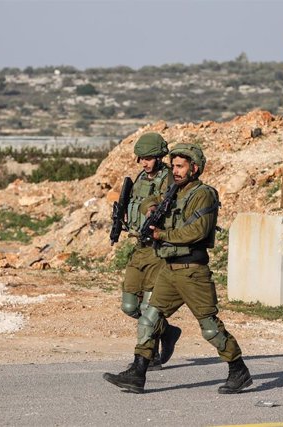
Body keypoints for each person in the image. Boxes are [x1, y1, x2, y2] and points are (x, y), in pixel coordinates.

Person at [103, 143, 252, 394]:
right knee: (149, 318)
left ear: (194, 168)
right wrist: (148, 207)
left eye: (181, 166)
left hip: (192, 271)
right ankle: (138, 373)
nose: (176, 171)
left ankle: (238, 369)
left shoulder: (203, 194)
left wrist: (163, 234)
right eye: (174, 166)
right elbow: (150, 199)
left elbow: (198, 231)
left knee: (210, 327)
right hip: (170, 270)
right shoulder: (174, 191)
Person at [119, 132, 182, 370]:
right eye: (141, 158)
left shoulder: (170, 180)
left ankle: (148, 358)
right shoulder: (140, 179)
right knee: (129, 306)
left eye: (148, 158)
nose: (144, 163)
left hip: (158, 250)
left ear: (159, 156)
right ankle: (167, 331)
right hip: (139, 247)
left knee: (147, 308)